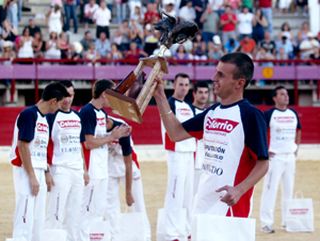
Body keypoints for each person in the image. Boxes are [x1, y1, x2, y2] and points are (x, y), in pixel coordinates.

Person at [153, 52, 269, 222]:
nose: (214, 78)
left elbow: (263, 163)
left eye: (221, 75)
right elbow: (175, 133)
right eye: (216, 72)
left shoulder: (251, 115)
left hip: (230, 211)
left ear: (240, 83)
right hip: (202, 205)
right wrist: (160, 97)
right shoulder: (212, 112)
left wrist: (239, 190)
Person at [9, 82, 70, 241]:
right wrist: (31, 176)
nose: (58, 109)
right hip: (26, 170)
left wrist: (46, 172)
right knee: (25, 214)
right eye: (60, 104)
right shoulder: (29, 114)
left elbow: (41, 149)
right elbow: (23, 146)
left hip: (38, 170)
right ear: (53, 101)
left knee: (37, 217)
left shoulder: (44, 119)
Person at [78, 79, 132, 241]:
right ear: (103, 94)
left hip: (102, 169)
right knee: (86, 210)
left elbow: (102, 135)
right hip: (92, 168)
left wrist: (119, 131)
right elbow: (88, 143)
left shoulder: (102, 113)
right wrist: (112, 137)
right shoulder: (87, 111)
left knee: (98, 209)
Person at [45, 80, 88, 241]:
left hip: (77, 171)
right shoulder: (51, 117)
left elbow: (79, 145)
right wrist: (47, 171)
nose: (67, 99)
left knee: (74, 213)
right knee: (55, 211)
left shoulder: (77, 117)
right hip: (60, 170)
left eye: (70, 95)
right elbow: (45, 145)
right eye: (64, 95)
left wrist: (84, 169)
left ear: (74, 95)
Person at [260, 86, 302, 233]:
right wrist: (264, 150)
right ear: (275, 98)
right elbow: (260, 131)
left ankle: (287, 221)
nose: (286, 97)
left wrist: (296, 148)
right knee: (270, 190)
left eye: (287, 94)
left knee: (289, 190)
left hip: (290, 157)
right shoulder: (269, 114)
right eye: (282, 94)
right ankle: (266, 223)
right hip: (275, 158)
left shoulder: (293, 113)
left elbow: (299, 130)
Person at [160, 73, 196, 240]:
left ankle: (187, 230)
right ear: (174, 84)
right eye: (180, 84)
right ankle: (171, 233)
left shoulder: (189, 106)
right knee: (175, 194)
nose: (183, 87)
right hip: (176, 153)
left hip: (190, 153)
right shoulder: (169, 104)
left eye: (186, 84)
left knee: (188, 195)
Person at [105, 115, 151, 241]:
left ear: (108, 122)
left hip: (129, 166)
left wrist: (128, 192)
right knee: (110, 207)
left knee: (138, 204)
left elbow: (128, 164)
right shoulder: (94, 125)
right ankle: (115, 237)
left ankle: (145, 236)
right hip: (109, 167)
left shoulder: (123, 129)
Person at [192, 81, 210, 195]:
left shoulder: (210, 113)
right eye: (200, 92)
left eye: (206, 92)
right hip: (193, 162)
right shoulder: (189, 110)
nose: (203, 95)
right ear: (194, 94)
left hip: (207, 163)